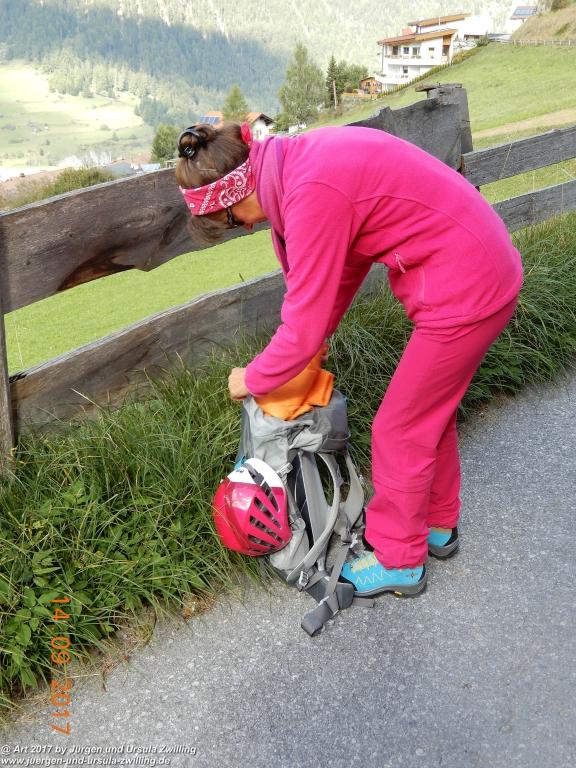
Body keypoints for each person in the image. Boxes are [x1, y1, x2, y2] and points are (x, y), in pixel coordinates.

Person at [174, 120, 523, 598]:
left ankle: (400, 559)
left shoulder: (310, 192)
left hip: (468, 287)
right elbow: (346, 263)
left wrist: (254, 378)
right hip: (476, 267)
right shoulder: (297, 166)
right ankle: (438, 524)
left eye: (234, 220)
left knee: (399, 428)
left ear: (239, 192)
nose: (249, 226)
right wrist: (314, 339)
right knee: (426, 418)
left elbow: (303, 325)